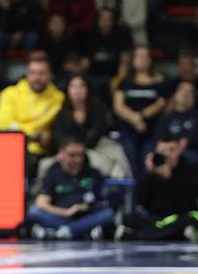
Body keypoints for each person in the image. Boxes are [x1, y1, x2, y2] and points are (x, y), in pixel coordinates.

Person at [27, 138, 114, 240]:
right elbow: (41, 203)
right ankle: (76, 231)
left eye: (80, 155)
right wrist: (65, 212)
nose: (77, 160)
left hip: (86, 216)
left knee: (108, 214)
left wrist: (84, 207)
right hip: (61, 216)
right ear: (62, 154)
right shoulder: (53, 173)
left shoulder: (93, 173)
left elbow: (100, 201)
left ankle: (63, 232)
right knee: (33, 211)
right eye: (72, 155)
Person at [45, 75, 130, 178]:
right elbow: (60, 136)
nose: (77, 90)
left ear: (88, 89)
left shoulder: (98, 110)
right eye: (73, 86)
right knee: (45, 165)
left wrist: (79, 149)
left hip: (95, 149)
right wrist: (70, 149)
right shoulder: (61, 113)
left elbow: (96, 134)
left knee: (110, 162)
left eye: (82, 86)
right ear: (67, 90)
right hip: (68, 152)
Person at [117, 134, 198, 242]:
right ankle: (174, 235)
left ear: (179, 150)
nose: (167, 155)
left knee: (190, 219)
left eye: (171, 150)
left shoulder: (189, 169)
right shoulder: (152, 172)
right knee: (129, 218)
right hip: (156, 219)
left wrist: (169, 179)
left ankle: (138, 236)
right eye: (163, 151)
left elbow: (187, 202)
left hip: (180, 216)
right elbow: (142, 202)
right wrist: (149, 174)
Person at [0, 55, 65, 175]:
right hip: (16, 148)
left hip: (48, 149)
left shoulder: (59, 98)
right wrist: (33, 134)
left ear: (50, 75)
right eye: (33, 73)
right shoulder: (10, 94)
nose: (37, 77)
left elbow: (63, 126)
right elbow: (4, 125)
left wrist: (51, 137)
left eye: (42, 73)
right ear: (27, 74)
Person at [113, 46, 167, 178]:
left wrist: (141, 116)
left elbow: (161, 104)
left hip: (151, 130)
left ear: (150, 60)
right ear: (133, 60)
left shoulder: (159, 82)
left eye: (145, 56)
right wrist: (135, 119)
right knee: (129, 162)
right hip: (128, 130)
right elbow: (118, 106)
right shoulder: (125, 82)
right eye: (138, 56)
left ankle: (145, 194)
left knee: (147, 162)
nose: (142, 59)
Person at [153, 80, 198, 166]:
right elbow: (157, 139)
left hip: (191, 153)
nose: (185, 93)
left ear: (194, 97)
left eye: (190, 91)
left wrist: (179, 146)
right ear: (174, 94)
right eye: (182, 90)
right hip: (167, 152)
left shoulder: (196, 116)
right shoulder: (165, 117)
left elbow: (193, 139)